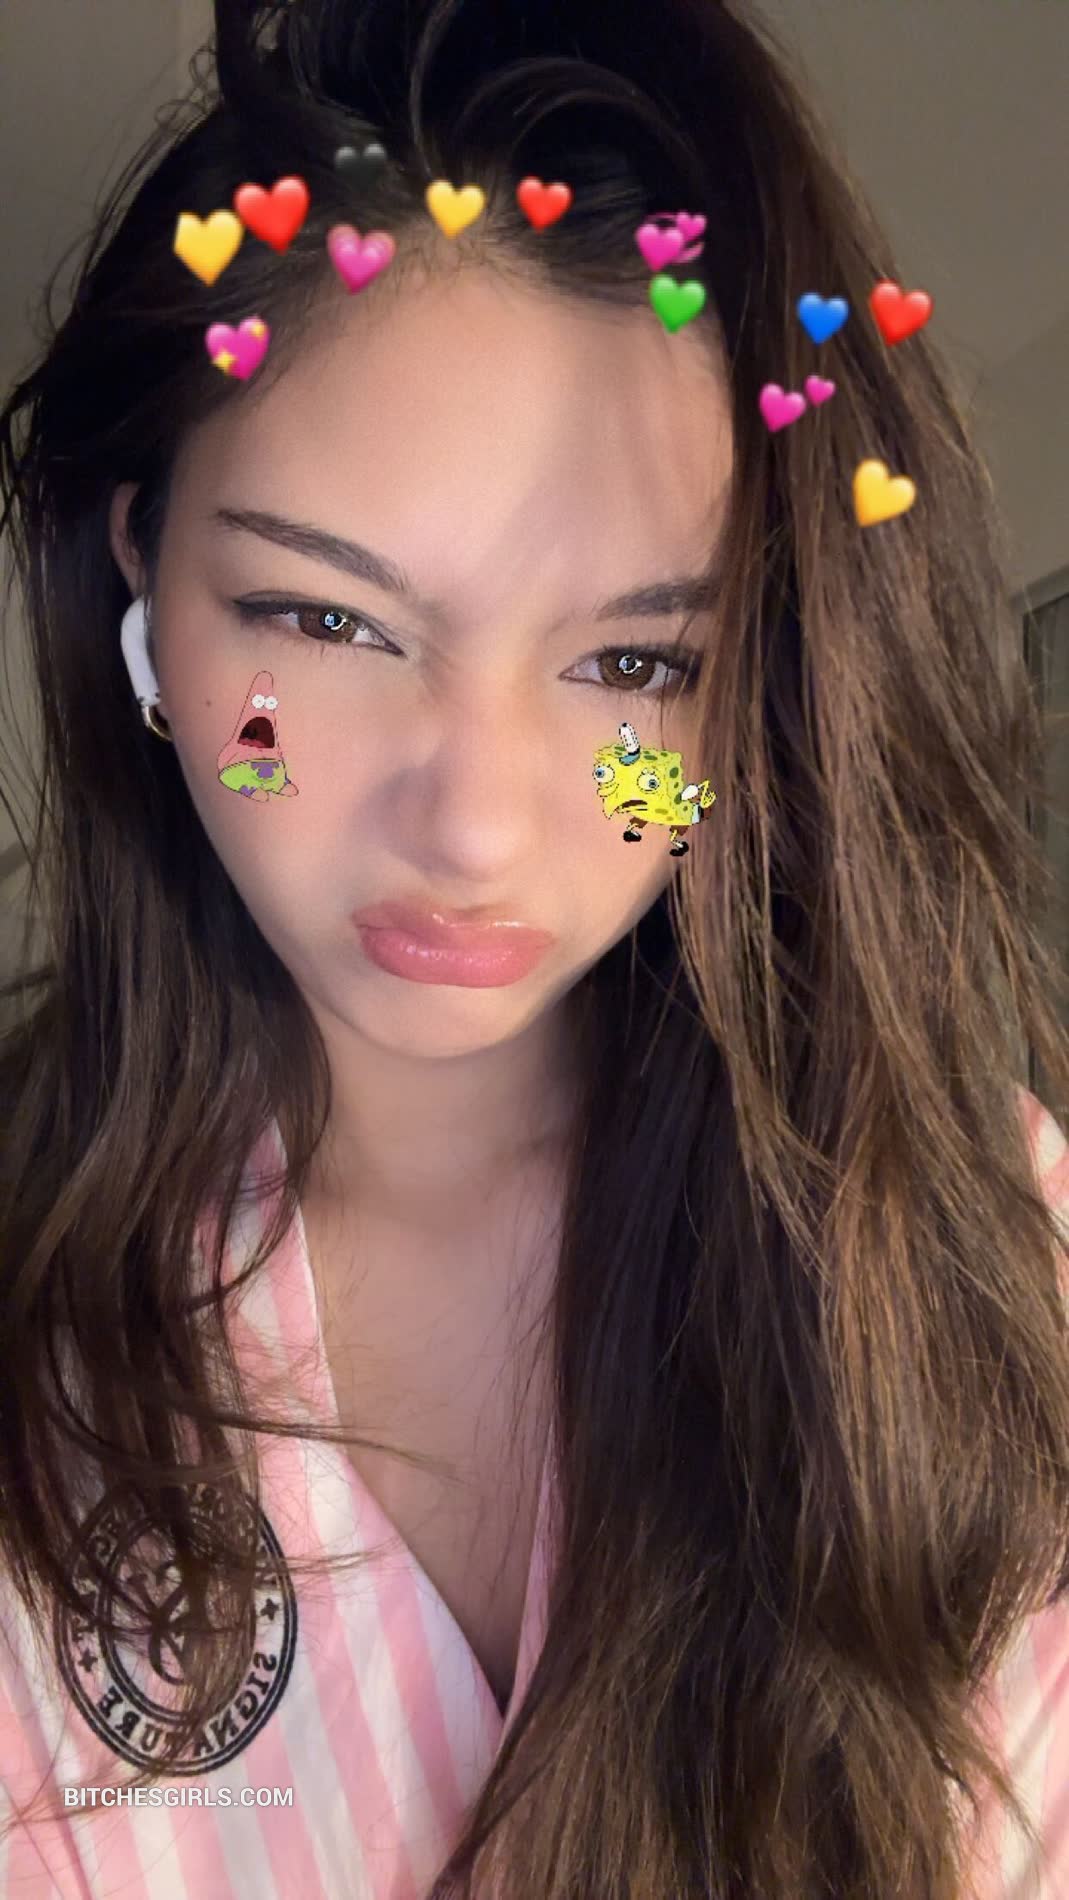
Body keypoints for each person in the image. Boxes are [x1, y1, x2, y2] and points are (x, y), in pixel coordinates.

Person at [0, 0, 1066, 1893]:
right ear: (145, 580)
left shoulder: (989, 1245)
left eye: (636, 662)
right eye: (325, 623)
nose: (478, 826)